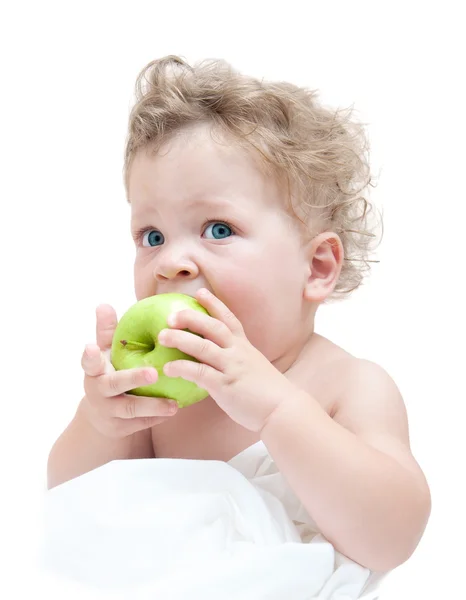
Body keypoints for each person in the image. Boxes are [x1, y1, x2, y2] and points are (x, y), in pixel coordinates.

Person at [47, 55, 431, 573]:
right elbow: (71, 509)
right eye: (152, 237)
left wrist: (276, 411)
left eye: (218, 229)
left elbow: (392, 537)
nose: (171, 262)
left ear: (316, 267)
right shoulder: (158, 394)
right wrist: (101, 421)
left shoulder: (349, 387)